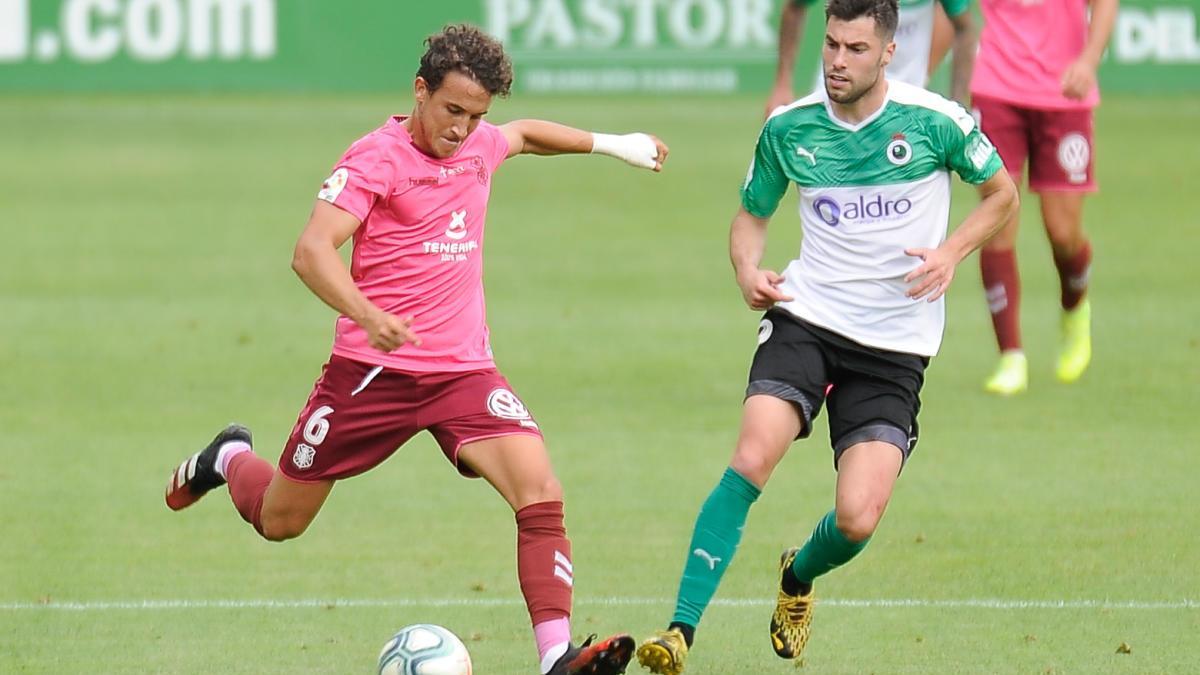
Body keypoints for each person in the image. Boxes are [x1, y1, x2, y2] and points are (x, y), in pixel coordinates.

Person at [163, 24, 668, 675]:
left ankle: (556, 658)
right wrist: (366, 314)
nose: (463, 128)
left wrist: (614, 145)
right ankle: (229, 455)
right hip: (371, 373)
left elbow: (524, 135)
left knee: (539, 488)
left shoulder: (482, 142)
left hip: (463, 372)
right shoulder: (376, 158)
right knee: (280, 518)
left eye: (476, 114)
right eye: (452, 110)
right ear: (420, 90)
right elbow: (311, 251)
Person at [636, 0, 1016, 671]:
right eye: (832, 45)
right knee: (753, 455)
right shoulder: (790, 128)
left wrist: (951, 252)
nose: (838, 61)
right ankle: (679, 631)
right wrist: (747, 268)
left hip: (896, 343)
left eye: (856, 50)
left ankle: (797, 574)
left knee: (857, 518)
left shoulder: (936, 122)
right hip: (807, 316)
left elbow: (1002, 196)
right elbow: (752, 216)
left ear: (889, 53)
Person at [972, 0, 1118, 395]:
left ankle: (1074, 307)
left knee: (1062, 231)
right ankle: (1011, 355)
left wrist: (1088, 61)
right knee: (997, 222)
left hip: (1063, 94)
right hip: (996, 88)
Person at [766, 0, 977, 116]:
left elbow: (963, 27)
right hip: (837, 93)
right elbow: (794, 8)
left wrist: (957, 104)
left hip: (905, 102)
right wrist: (782, 85)